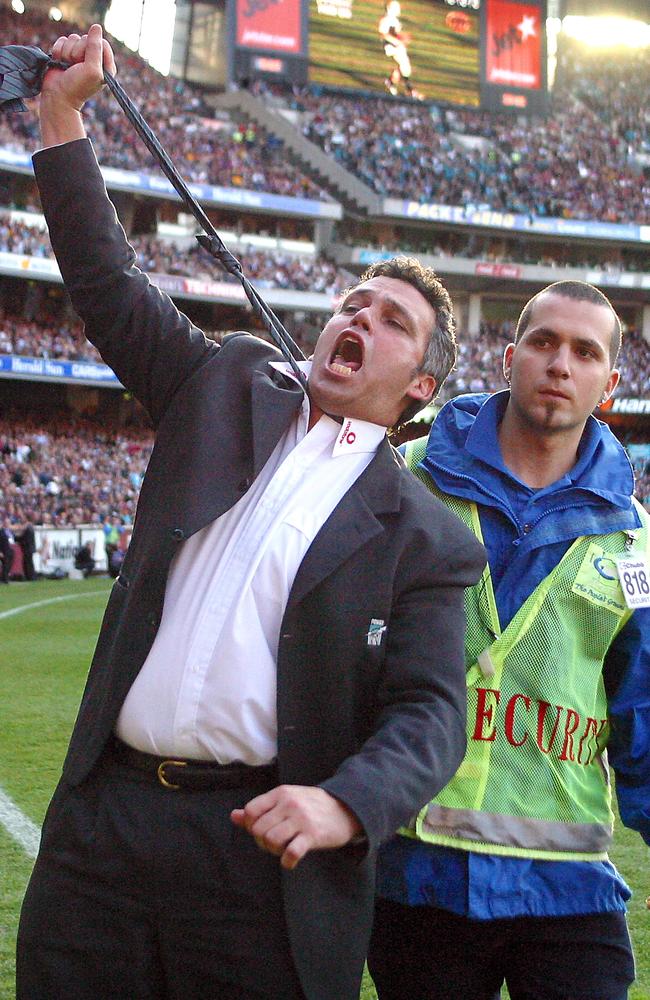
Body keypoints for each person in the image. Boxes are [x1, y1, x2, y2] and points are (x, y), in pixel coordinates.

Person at [16, 25, 486, 1000]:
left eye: (391, 321)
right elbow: (108, 284)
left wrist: (344, 803)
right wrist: (61, 120)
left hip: (261, 862)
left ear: (421, 386)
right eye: (353, 302)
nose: (358, 318)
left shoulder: (429, 540)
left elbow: (431, 714)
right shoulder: (226, 382)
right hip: (103, 832)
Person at [368, 281, 650, 1000]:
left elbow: (642, 715)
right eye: (544, 342)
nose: (561, 363)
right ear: (508, 358)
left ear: (609, 383)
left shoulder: (635, 542)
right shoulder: (408, 478)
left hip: (571, 892)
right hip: (419, 874)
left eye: (585, 352)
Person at [378, 0, 420, 98]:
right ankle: (409, 89)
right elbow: (384, 35)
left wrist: (403, 38)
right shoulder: (386, 20)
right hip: (390, 46)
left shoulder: (395, 21)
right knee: (405, 65)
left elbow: (396, 35)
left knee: (402, 66)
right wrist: (398, 42)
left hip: (397, 46)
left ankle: (391, 82)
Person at [18, 515, 37, 581]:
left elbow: (24, 538)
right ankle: (31, 576)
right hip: (30, 547)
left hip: (28, 548)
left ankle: (30, 577)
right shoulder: (30, 526)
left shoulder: (28, 527)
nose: (21, 519)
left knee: (28, 563)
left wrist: (15, 538)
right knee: (29, 562)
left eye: (23, 518)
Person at [0, 515, 14, 583]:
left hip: (10, 549)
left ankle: (5, 577)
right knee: (5, 565)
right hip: (4, 550)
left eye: (8, 523)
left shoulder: (10, 531)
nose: (7, 524)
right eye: (6, 522)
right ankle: (5, 579)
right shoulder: (1, 531)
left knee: (9, 564)